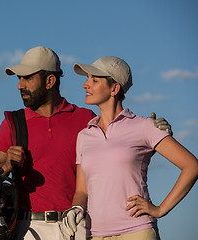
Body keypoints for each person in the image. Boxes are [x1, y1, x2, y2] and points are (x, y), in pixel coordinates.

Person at [0, 47, 172, 240]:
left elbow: (119, 154)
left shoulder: (86, 119)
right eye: (19, 79)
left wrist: (152, 137)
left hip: (78, 226)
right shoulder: (13, 123)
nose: (20, 85)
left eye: (28, 78)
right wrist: (5, 166)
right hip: (28, 228)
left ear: (50, 81)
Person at [63, 56, 198, 240]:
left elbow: (191, 166)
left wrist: (160, 209)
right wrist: (76, 209)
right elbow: (82, 191)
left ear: (114, 88)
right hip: (96, 235)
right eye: (87, 79)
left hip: (137, 231)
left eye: (94, 80)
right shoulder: (84, 136)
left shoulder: (144, 126)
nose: (85, 85)